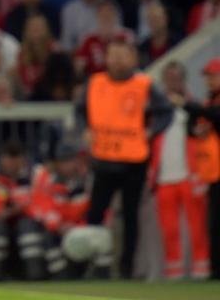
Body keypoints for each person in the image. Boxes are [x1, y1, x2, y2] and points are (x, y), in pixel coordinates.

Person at [77, 40, 174, 278]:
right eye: (113, 55)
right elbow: (80, 110)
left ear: (132, 58)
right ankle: (94, 265)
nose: (118, 61)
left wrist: (152, 131)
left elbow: (166, 111)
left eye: (122, 56)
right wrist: (85, 129)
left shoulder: (143, 84)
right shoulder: (95, 83)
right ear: (106, 58)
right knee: (95, 214)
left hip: (133, 159)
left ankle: (127, 267)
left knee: (131, 217)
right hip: (103, 157)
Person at [155, 61, 214, 280]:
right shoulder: (157, 109)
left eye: (176, 78)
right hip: (164, 177)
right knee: (169, 230)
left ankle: (201, 269)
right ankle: (174, 271)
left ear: (183, 80)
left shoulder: (195, 106)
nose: (172, 83)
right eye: (168, 78)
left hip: (189, 174)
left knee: (197, 227)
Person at [31, 143, 111, 279]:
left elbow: (98, 209)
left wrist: (78, 226)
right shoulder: (48, 181)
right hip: (60, 229)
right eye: (64, 161)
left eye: (71, 160)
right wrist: (59, 225)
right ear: (57, 164)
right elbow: (43, 208)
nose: (68, 165)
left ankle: (101, 277)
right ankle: (61, 276)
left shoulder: (90, 180)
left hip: (83, 227)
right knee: (46, 234)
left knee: (103, 234)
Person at [0, 140, 44, 281]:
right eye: (8, 160)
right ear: (1, 159)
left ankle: (35, 274)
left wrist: (19, 208)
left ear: (23, 159)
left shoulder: (37, 173)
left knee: (28, 228)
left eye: (16, 160)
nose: (12, 165)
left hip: (27, 219)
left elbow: (41, 202)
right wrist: (1, 211)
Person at [183, 58, 220, 280]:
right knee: (214, 223)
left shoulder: (209, 107)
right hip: (212, 171)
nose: (209, 80)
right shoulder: (208, 104)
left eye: (213, 75)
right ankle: (216, 268)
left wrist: (195, 108)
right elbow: (193, 129)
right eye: (207, 76)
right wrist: (193, 118)